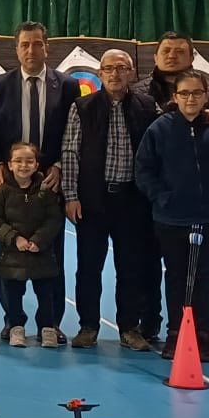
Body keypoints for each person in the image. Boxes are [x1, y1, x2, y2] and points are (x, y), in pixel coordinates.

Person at [135, 70, 209, 364]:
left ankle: (202, 334)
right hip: (171, 219)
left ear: (206, 96)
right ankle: (175, 333)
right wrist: (163, 197)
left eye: (197, 93)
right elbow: (143, 170)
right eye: (184, 93)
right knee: (176, 276)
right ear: (175, 97)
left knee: (203, 277)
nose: (190, 98)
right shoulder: (160, 128)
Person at [59, 50, 161, 351]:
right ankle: (88, 326)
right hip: (92, 200)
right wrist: (71, 195)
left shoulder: (147, 106)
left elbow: (160, 149)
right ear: (100, 73)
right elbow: (70, 152)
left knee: (131, 267)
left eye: (121, 68)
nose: (115, 74)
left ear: (131, 72)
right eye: (109, 68)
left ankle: (129, 327)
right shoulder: (82, 106)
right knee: (89, 267)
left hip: (133, 200)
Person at [0, 142, 67, 348]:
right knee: (13, 293)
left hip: (42, 253)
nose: (23, 166)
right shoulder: (1, 192)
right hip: (12, 254)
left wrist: (39, 240)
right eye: (18, 161)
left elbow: (53, 219)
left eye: (29, 161)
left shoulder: (46, 191)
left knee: (46, 293)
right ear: (9, 164)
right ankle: (16, 326)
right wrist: (15, 238)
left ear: (36, 165)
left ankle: (47, 328)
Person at [0, 22, 68, 187]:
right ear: (17, 50)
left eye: (37, 44)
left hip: (51, 178)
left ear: (46, 48)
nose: (31, 51)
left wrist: (59, 165)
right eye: (25, 45)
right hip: (9, 176)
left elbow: (71, 133)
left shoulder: (67, 86)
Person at [134, 32, 209, 130]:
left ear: (191, 58)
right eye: (166, 51)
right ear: (155, 58)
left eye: (180, 51)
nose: (172, 56)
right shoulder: (138, 92)